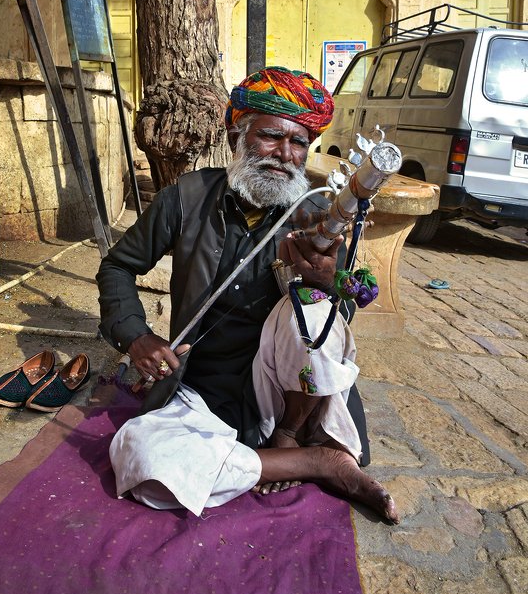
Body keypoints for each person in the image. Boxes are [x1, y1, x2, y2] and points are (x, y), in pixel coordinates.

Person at [97, 67, 398, 524]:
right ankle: (313, 462)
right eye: (271, 136)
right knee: (141, 458)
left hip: (284, 395)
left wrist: (324, 283)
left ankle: (289, 437)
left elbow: (340, 323)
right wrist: (136, 336)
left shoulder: (318, 215)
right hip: (201, 387)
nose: (285, 154)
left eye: (299, 143)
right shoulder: (187, 197)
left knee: (316, 312)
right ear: (237, 134)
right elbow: (118, 266)